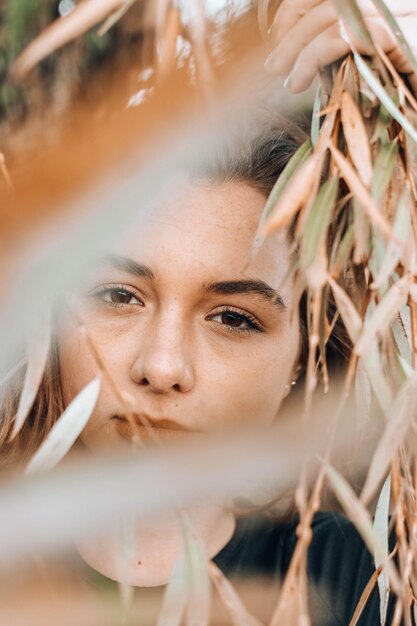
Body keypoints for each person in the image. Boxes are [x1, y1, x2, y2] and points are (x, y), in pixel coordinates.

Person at [2, 1, 417, 624]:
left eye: (234, 317)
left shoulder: (372, 579)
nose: (162, 366)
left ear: (302, 356)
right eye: (119, 295)